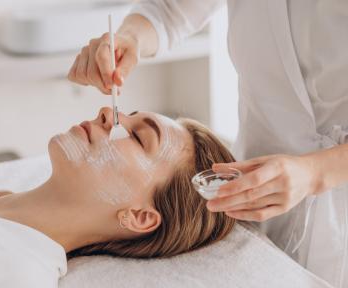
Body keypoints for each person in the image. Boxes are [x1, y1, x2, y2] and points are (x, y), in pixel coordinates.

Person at [68, 1, 348, 287]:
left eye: (141, 138)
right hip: (251, 197)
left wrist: (317, 171)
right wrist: (131, 38)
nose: (106, 114)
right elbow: (170, 10)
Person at [0, 107, 236, 287]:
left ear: (140, 216)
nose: (108, 112)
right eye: (128, 114)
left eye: (139, 138)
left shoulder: (11, 272)